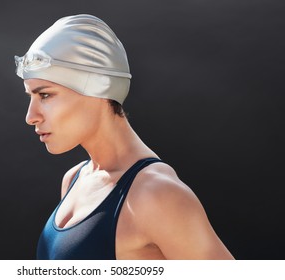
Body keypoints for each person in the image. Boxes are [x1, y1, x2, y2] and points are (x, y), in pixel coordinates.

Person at [14, 14, 234, 260]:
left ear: (96, 88)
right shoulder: (74, 179)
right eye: (30, 97)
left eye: (45, 95)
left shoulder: (157, 195)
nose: (30, 116)